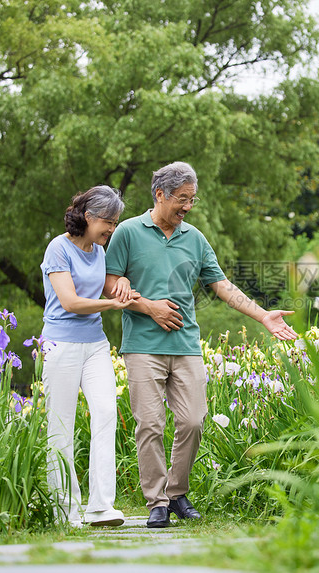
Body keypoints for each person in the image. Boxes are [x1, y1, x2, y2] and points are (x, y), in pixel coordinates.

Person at [104, 161, 297, 528]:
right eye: (182, 198)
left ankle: (176, 492)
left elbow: (222, 287)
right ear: (160, 194)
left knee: (193, 420)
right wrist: (149, 307)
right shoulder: (127, 232)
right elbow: (109, 284)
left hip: (186, 344)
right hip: (143, 345)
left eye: (192, 199)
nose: (188, 206)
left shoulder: (194, 237)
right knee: (149, 424)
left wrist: (262, 316)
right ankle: (156, 502)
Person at [39, 185, 137, 528]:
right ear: (88, 216)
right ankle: (64, 511)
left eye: (115, 222)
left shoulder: (98, 251)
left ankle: (101, 507)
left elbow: (109, 283)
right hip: (60, 344)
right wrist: (112, 304)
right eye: (107, 222)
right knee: (60, 426)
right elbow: (70, 302)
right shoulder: (58, 248)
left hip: (95, 342)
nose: (112, 229)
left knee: (107, 412)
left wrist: (121, 282)